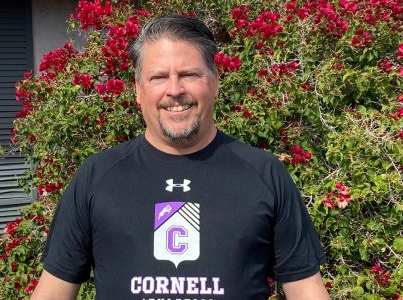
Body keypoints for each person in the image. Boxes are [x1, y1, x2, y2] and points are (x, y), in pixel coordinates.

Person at [31, 15, 330, 300]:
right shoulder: (96, 176)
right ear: (138, 91)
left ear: (214, 83)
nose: (174, 90)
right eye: (159, 77)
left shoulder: (265, 174)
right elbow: (53, 290)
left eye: (189, 74)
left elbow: (306, 290)